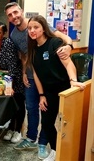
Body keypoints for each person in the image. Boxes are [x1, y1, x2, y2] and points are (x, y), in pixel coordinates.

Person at [4, 2, 73, 159]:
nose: (14, 16)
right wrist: (23, 72)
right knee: (31, 107)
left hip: (46, 78)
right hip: (30, 75)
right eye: (10, 15)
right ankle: (31, 138)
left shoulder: (37, 24)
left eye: (15, 12)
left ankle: (43, 143)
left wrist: (69, 46)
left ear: (21, 11)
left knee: (46, 112)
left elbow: (64, 38)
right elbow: (24, 56)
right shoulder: (14, 35)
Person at [26, 15, 85, 161]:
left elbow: (68, 64)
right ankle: (55, 151)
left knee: (69, 124)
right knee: (46, 123)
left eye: (36, 27)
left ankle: (71, 153)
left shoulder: (55, 43)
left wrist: (73, 81)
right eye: (29, 28)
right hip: (49, 92)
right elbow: (37, 75)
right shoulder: (32, 50)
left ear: (43, 28)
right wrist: (41, 95)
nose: (32, 30)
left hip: (65, 89)